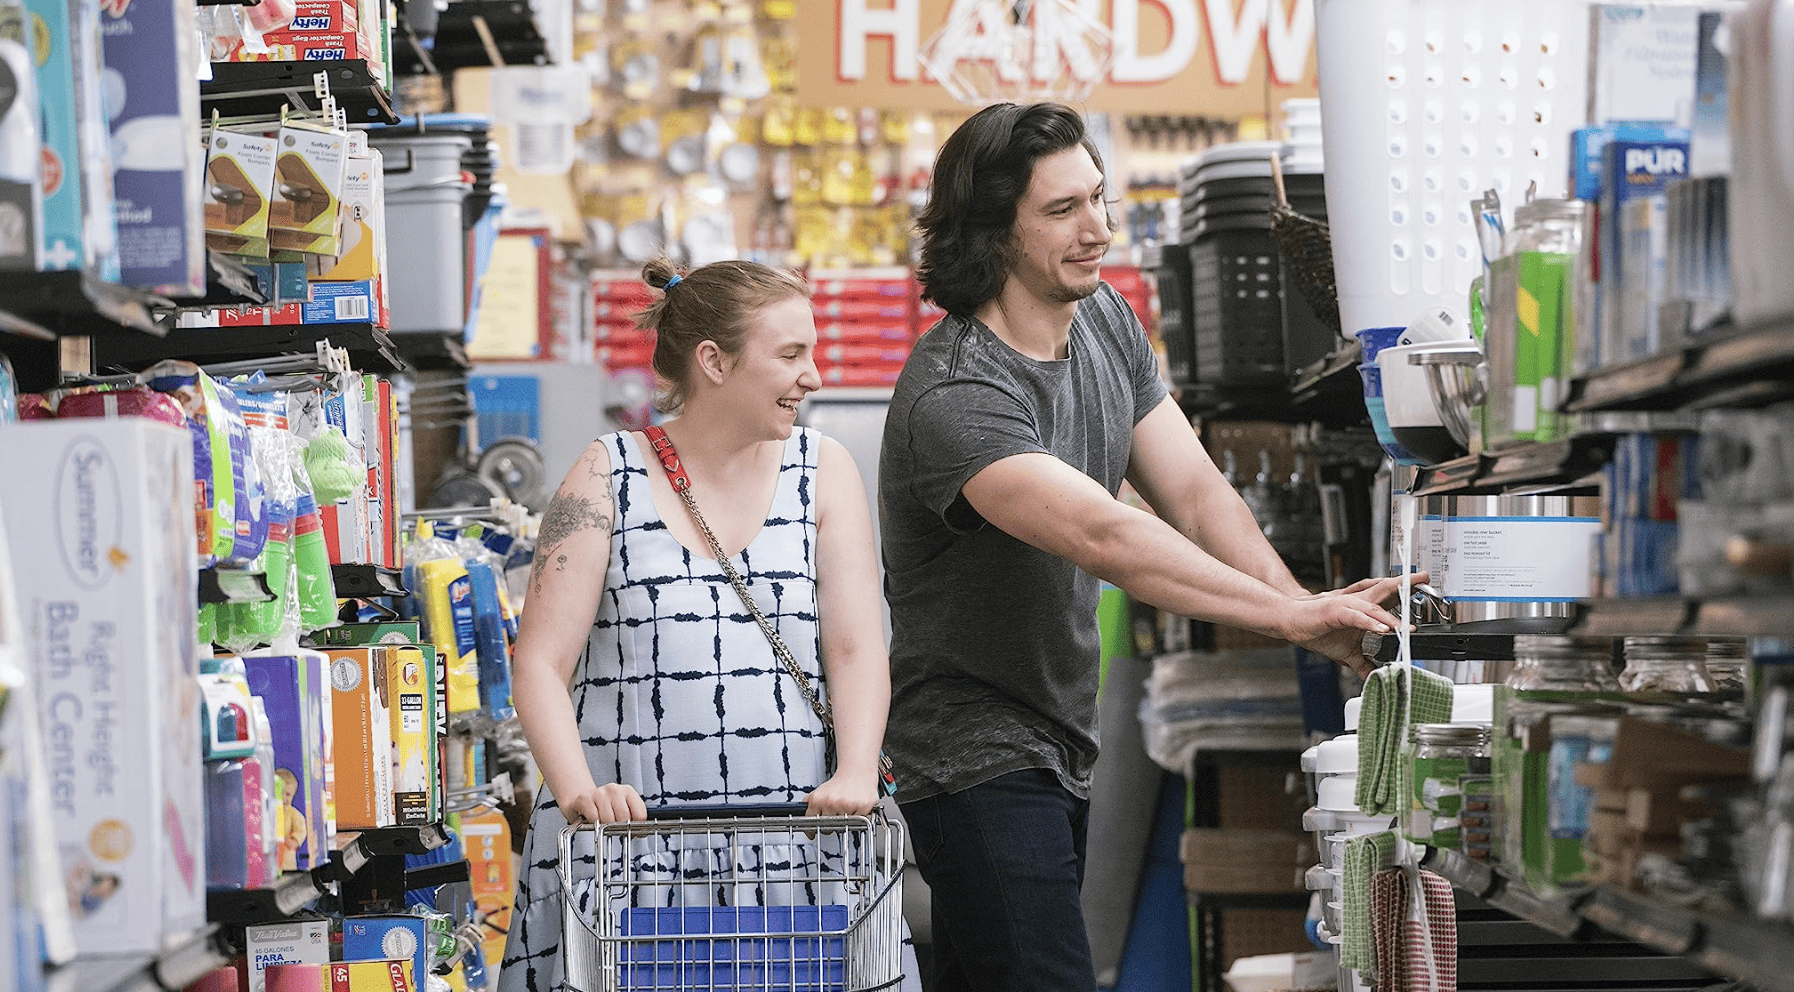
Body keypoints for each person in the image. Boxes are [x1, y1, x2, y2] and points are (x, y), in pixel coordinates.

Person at [879, 102, 1414, 991]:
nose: (1096, 230)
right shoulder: (958, 393)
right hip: (971, 749)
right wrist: (1290, 615)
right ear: (992, 233)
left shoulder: (1106, 325)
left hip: (1060, 734)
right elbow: (1105, 532)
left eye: (1099, 200)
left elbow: (1199, 494)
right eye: (1062, 211)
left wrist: (1307, 615)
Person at [500, 258, 904, 992]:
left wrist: (854, 769)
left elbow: (854, 646)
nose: (812, 375)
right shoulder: (604, 475)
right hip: (631, 861)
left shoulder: (825, 470)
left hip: (798, 851)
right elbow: (539, 663)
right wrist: (579, 791)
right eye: (790, 355)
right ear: (714, 361)